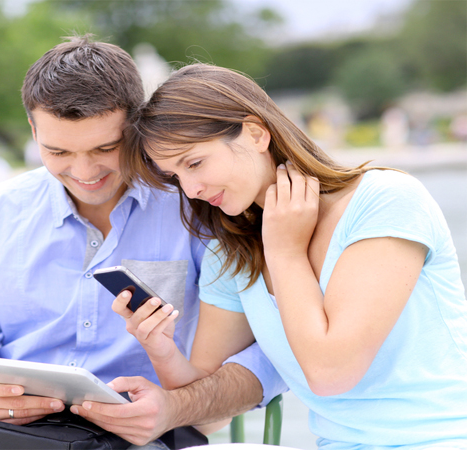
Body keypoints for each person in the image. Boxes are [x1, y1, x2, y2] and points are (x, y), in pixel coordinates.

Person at [0, 38, 287, 448]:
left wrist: (175, 407)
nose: (85, 171)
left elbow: (273, 357)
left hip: (142, 439)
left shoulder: (204, 202)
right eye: (57, 151)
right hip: (4, 436)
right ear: (33, 132)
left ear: (138, 127)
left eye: (106, 148)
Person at [106, 63, 467, 449]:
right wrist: (161, 347)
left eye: (194, 163)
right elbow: (207, 421)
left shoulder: (385, 200)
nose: (191, 189)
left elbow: (331, 373)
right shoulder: (231, 252)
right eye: (176, 177)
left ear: (256, 133)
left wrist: (286, 252)